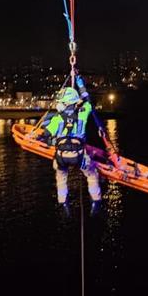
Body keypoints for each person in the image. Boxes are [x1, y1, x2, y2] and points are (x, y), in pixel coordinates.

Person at [39, 76, 102, 207]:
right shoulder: (83, 113)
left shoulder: (57, 119)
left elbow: (45, 135)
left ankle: (63, 202)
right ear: (75, 102)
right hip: (79, 156)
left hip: (61, 157)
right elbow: (88, 101)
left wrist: (45, 139)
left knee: (61, 178)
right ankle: (95, 201)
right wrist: (81, 85)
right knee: (92, 174)